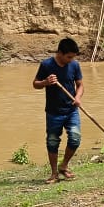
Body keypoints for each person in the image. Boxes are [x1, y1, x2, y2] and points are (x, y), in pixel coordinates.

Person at [33, 38, 84, 184]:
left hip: (71, 110)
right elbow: (35, 84)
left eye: (73, 57)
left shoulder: (74, 65)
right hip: (53, 112)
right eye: (69, 56)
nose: (71, 59)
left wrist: (78, 97)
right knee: (52, 141)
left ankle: (64, 165)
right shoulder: (46, 65)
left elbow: (80, 85)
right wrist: (45, 82)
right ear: (60, 53)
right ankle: (54, 173)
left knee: (75, 138)